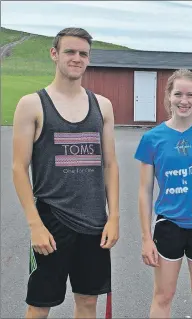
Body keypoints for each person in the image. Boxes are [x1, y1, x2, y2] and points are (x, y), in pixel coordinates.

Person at [12, 27, 120, 319]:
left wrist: (114, 217)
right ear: (54, 54)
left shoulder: (103, 106)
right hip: (51, 221)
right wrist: (35, 225)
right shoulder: (32, 105)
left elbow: (110, 165)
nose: (77, 58)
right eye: (70, 51)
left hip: (94, 223)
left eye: (83, 53)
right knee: (39, 304)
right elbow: (19, 169)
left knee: (87, 302)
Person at [135, 69, 192, 318]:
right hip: (169, 226)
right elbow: (145, 191)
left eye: (190, 94)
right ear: (169, 96)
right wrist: (146, 238)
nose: (184, 100)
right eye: (178, 94)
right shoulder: (152, 138)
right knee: (163, 295)